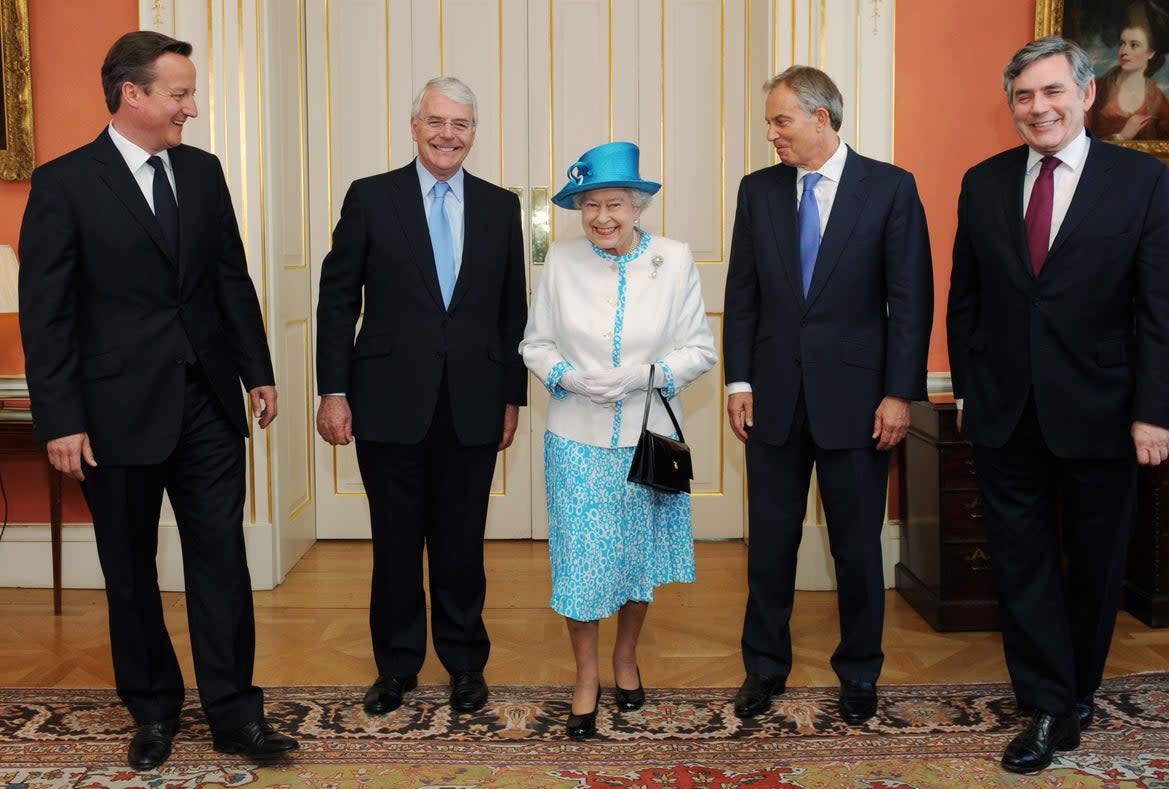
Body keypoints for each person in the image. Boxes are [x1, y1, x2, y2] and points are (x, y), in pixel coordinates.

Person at [17, 31, 298, 770]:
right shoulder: (64, 183)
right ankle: (152, 709)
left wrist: (255, 370)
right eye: (180, 94)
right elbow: (46, 312)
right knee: (130, 568)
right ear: (131, 94)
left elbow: (228, 277)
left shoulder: (202, 174)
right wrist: (61, 418)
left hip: (206, 400)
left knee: (221, 561)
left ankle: (237, 713)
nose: (193, 108)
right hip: (113, 416)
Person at [947, 36, 1169, 774]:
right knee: (1021, 562)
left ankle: (1076, 686)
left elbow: (1158, 309)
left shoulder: (1139, 181)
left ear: (1085, 94)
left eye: (1051, 91)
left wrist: (1154, 411)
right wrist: (968, 385)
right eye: (1023, 95)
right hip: (1005, 409)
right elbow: (966, 301)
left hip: (1104, 410)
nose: (1036, 107)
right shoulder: (982, 182)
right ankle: (1048, 701)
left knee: (1097, 562)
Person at [722, 66, 933, 725]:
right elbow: (743, 295)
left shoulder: (890, 189)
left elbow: (911, 300)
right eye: (770, 121)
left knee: (856, 546)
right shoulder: (758, 192)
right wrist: (738, 379)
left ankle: (860, 671)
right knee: (771, 544)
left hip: (860, 403)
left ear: (821, 118)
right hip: (774, 400)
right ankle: (764, 667)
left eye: (781, 120)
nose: (771, 133)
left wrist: (900, 395)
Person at [315, 76, 527, 718]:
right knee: (397, 543)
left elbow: (511, 309)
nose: (447, 135)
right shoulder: (371, 198)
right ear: (414, 126)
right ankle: (396, 668)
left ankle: (465, 665)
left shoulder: (499, 206)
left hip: (473, 400)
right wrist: (334, 388)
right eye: (437, 121)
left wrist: (511, 395)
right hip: (385, 401)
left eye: (461, 125)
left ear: (473, 133)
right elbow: (336, 300)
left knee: (463, 544)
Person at [520, 141, 717, 739]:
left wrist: (644, 376)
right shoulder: (561, 258)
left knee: (637, 562)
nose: (602, 217)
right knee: (582, 566)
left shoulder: (676, 260)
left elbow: (700, 349)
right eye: (590, 206)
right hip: (575, 436)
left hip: (648, 436)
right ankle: (585, 676)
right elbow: (535, 343)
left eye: (614, 204)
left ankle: (626, 658)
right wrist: (567, 376)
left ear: (638, 207)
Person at [1087, 4, 1169, 141]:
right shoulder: (1098, 89)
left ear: (1150, 53)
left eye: (1133, 45)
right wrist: (1122, 136)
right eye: (1122, 43)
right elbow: (1081, 139)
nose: (1124, 52)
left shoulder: (1155, 97)